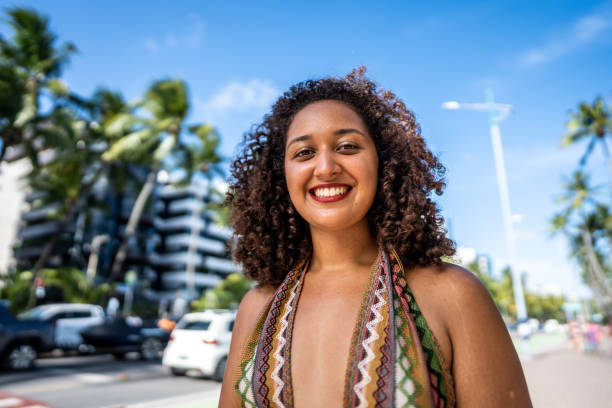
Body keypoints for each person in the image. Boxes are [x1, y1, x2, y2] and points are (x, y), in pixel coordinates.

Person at [219, 68, 531, 407]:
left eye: (348, 146)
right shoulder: (257, 306)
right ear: (280, 176)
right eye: (304, 152)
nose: (325, 167)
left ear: (383, 163)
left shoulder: (454, 294)